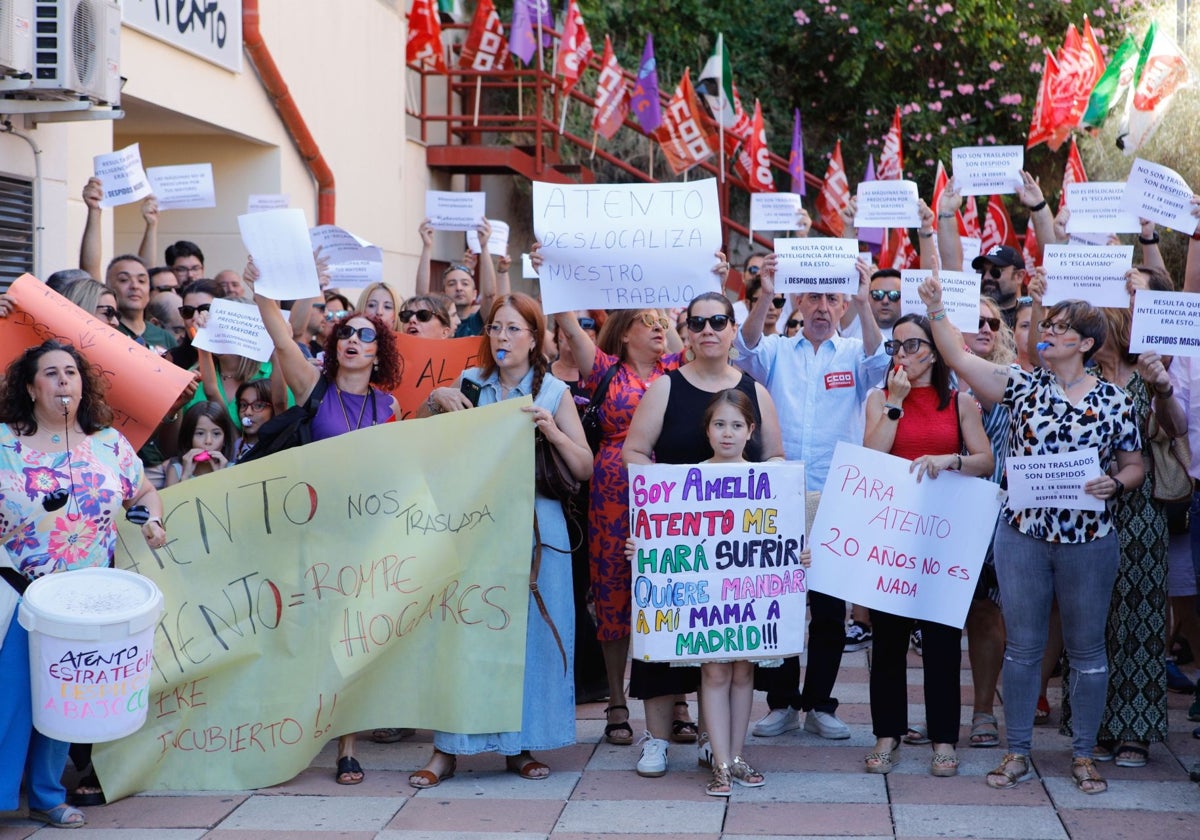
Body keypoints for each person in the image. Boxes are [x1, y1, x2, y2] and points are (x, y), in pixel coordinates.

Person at [917, 265, 1143, 795]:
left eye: (1061, 328)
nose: (1048, 332)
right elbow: (957, 357)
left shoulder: (1115, 400)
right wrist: (935, 307)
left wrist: (1119, 483)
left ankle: (1083, 756)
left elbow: (1136, 464)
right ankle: (1017, 751)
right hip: (1022, 535)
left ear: (1086, 343)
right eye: (1048, 325)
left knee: (1088, 652)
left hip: (1089, 540)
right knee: (1022, 647)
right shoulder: (1021, 384)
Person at [410, 293, 592, 787]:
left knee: (530, 638)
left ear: (535, 337)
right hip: (477, 528)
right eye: (495, 328)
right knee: (466, 632)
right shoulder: (468, 385)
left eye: (514, 329)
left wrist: (552, 431)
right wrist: (433, 401)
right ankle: (447, 749)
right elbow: (415, 444)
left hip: (538, 530)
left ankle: (520, 745)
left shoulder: (553, 391)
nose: (502, 337)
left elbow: (584, 467)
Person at [0, 340, 167, 829]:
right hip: (19, 590)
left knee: (62, 700)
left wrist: (152, 522)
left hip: (86, 599)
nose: (62, 381)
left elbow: (143, 491)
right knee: (12, 697)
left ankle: (49, 795)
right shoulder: (4, 444)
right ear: (31, 388)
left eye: (70, 372)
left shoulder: (109, 443)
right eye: (50, 374)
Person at [250, 260, 402, 785]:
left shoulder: (389, 405)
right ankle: (294, 730)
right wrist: (269, 283)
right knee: (309, 634)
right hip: (313, 533)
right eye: (345, 333)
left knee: (352, 637)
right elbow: (279, 331)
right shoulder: (313, 386)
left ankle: (347, 746)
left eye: (366, 335)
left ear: (379, 351)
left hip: (364, 535)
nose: (353, 341)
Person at [623, 292, 785, 778]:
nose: (709, 329)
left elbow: (776, 460)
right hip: (678, 538)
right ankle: (656, 739)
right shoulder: (664, 388)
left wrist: (739, 489)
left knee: (727, 648)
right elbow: (634, 453)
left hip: (734, 544)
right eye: (698, 322)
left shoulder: (755, 392)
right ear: (687, 332)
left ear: (734, 328)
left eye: (719, 320)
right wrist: (667, 503)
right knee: (664, 632)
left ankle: (718, 744)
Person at [733, 253, 888, 741]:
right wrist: (764, 293)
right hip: (778, 493)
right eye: (814, 297)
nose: (822, 307)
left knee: (828, 607)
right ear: (799, 299)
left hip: (837, 491)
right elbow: (746, 348)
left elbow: (879, 362)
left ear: (842, 303)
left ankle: (820, 702)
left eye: (832, 298)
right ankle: (780, 702)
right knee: (778, 600)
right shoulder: (778, 350)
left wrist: (866, 304)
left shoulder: (853, 355)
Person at [861, 314, 995, 777]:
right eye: (894, 347)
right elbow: (872, 458)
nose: (901, 354)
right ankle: (887, 733)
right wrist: (895, 405)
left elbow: (985, 461)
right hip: (892, 538)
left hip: (942, 539)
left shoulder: (959, 403)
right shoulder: (879, 398)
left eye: (912, 345)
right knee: (889, 638)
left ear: (935, 353)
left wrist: (950, 459)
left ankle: (943, 738)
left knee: (940, 641)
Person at [1058, 306, 1168, 769]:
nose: (1084, 336)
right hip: (1084, 510)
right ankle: (1093, 726)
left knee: (1139, 619)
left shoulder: (1148, 376)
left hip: (1139, 512)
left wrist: (1162, 389)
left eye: (1093, 327)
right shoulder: (1073, 380)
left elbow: (1172, 431)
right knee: (1089, 621)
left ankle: (1136, 729)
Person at [105, 255, 177, 353]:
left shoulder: (165, 338)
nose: (135, 286)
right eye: (124, 280)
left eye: (141, 281)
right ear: (108, 287)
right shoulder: (105, 331)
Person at [164, 401, 235, 486]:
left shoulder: (233, 470)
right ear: (188, 439)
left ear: (225, 440)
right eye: (200, 433)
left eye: (216, 434)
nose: (208, 441)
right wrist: (185, 476)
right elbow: (173, 499)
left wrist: (220, 477)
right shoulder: (177, 470)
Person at [232, 379, 274, 463]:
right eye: (243, 405)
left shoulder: (279, 445)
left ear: (274, 409)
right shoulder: (236, 445)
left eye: (258, 405)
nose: (248, 412)